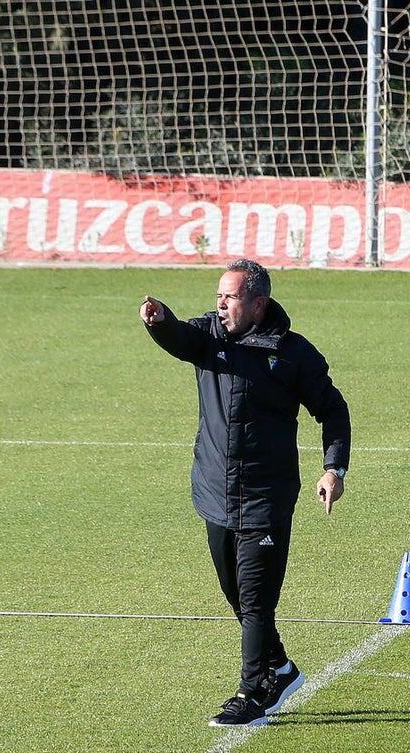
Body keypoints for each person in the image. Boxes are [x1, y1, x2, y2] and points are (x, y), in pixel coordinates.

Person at [140, 259, 351, 727]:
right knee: (235, 594)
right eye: (219, 295)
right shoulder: (209, 336)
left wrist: (333, 468)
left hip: (265, 496)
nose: (220, 304)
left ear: (258, 304)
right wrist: (161, 321)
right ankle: (280, 666)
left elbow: (333, 410)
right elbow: (181, 338)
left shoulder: (293, 353)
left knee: (256, 600)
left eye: (230, 297)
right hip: (215, 491)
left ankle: (253, 691)